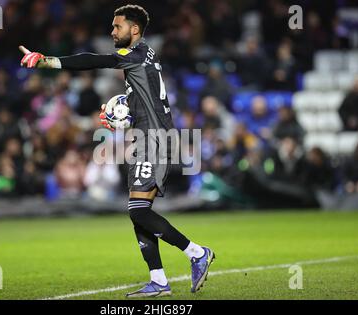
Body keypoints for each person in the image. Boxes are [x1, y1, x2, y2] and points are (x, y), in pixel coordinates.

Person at [19, 4, 215, 298]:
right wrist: (122, 114)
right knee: (139, 211)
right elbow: (146, 97)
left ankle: (196, 252)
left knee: (137, 209)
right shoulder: (145, 56)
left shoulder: (134, 54)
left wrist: (47, 61)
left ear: (134, 30)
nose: (112, 31)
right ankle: (159, 281)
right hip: (147, 136)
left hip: (154, 139)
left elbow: (94, 60)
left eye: (117, 26)